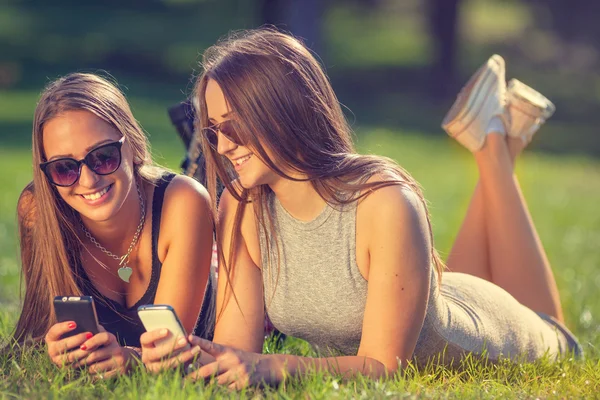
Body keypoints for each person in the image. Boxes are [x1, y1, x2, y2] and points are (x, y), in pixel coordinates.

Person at [140, 29, 582, 388]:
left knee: (557, 334)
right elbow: (240, 349)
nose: (223, 145)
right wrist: (200, 358)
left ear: (283, 111)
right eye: (213, 130)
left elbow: (385, 368)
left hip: (494, 336)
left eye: (233, 125)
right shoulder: (241, 208)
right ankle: (499, 138)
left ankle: (493, 147)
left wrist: (278, 368)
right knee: (440, 300)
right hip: (435, 301)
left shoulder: (382, 201)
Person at [14, 73, 214, 378]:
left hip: (224, 277)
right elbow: (43, 330)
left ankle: (201, 149)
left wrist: (128, 359)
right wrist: (58, 346)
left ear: (131, 144)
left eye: (103, 156)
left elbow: (170, 351)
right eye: (64, 168)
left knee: (223, 189)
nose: (88, 180)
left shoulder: (185, 202)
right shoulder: (39, 211)